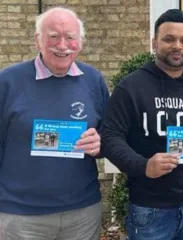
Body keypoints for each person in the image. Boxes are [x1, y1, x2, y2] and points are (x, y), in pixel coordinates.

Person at [100, 9, 183, 240]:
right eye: (169, 39)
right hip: (148, 209)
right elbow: (110, 138)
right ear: (154, 42)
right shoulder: (130, 87)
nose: (177, 46)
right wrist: (143, 165)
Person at [0, 7, 109, 240]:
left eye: (70, 37)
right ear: (38, 40)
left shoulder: (93, 80)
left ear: (79, 43)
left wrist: (101, 143)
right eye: (53, 36)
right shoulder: (8, 82)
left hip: (83, 212)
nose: (62, 45)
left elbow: (109, 134)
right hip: (21, 216)